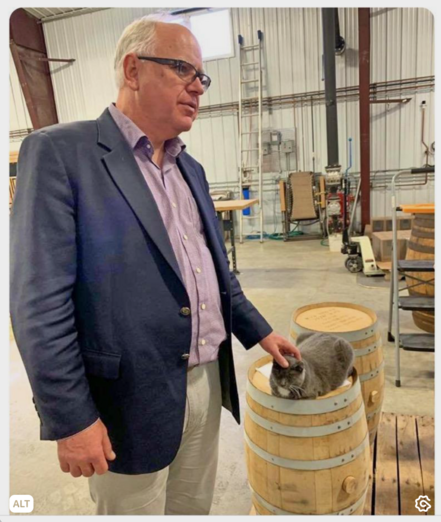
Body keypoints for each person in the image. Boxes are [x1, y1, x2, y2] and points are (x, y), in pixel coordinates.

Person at [10, 14, 300, 516]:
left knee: (192, 507)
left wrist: (259, 331)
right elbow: (38, 303)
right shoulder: (62, 154)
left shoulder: (192, 169)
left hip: (208, 380)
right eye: (183, 70)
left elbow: (213, 271)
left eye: (202, 78)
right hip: (127, 398)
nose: (198, 88)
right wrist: (71, 418)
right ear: (132, 69)